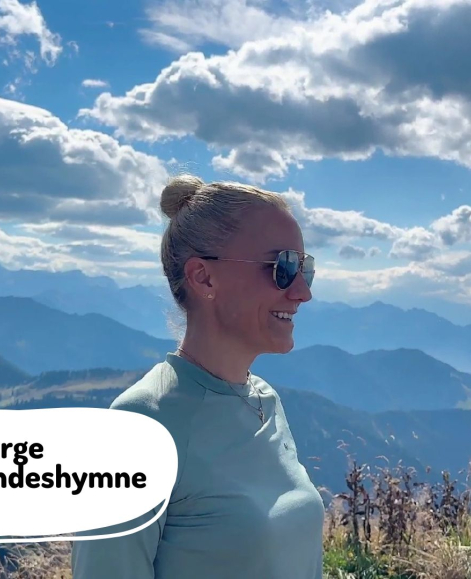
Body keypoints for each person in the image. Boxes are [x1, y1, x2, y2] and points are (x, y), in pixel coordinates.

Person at [70, 174, 324, 578]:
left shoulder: (265, 401)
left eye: (304, 268)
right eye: (282, 267)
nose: (302, 292)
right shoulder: (140, 426)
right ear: (204, 277)